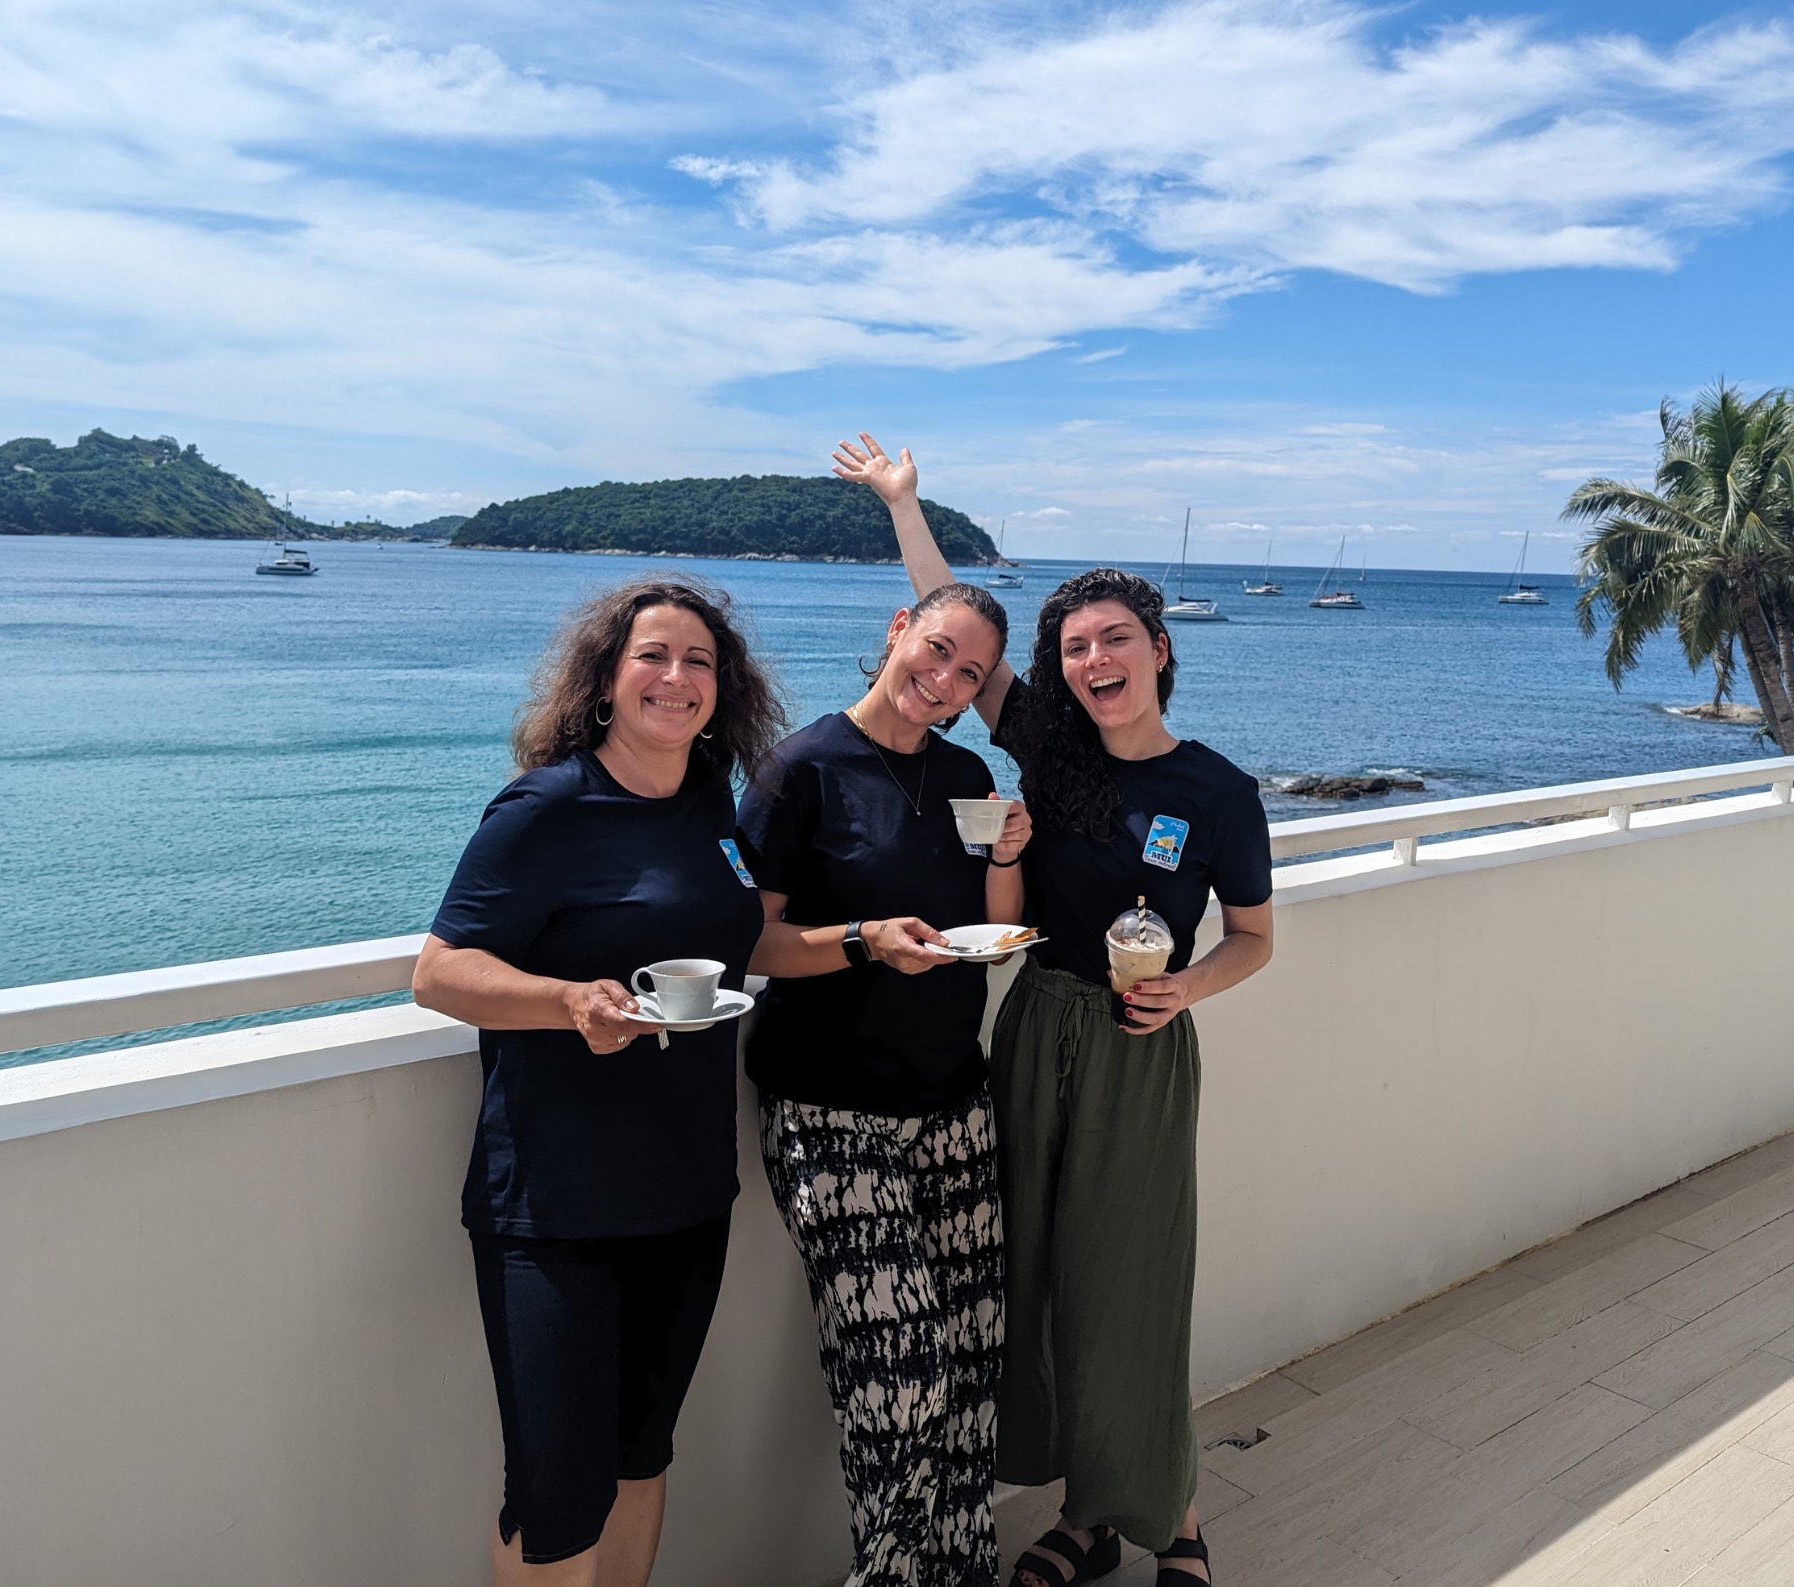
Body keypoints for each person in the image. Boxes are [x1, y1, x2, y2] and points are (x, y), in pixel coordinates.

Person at [835, 436, 1276, 1587]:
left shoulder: (1218, 790)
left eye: (1114, 639)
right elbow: (951, 637)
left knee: (1128, 1282)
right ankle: (1086, 1518)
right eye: (1074, 646)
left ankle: (1170, 1515)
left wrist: (1190, 985)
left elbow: (1256, 937)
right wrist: (903, 504)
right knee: (1032, 1278)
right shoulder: (1048, 747)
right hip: (1036, 1025)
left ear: (1159, 651)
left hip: (1141, 1045)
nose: (1092, 660)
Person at [411, 579, 786, 1587]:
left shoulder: (710, 804)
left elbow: (746, 942)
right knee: (555, 1492)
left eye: (698, 660)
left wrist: (868, 939)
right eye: (652, 657)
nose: (677, 677)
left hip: (688, 1191)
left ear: (723, 685)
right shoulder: (547, 808)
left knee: (640, 1457)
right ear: (608, 681)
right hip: (556, 1207)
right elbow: (440, 972)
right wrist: (568, 1002)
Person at [735, 581, 1032, 1586]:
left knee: (970, 1370)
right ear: (897, 629)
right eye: (936, 650)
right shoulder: (797, 770)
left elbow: (993, 927)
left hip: (953, 1101)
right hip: (827, 1110)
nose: (943, 681)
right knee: (894, 1384)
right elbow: (752, 945)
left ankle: (962, 1569)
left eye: (969, 673)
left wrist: (1007, 856)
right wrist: (861, 941)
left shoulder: (967, 771)